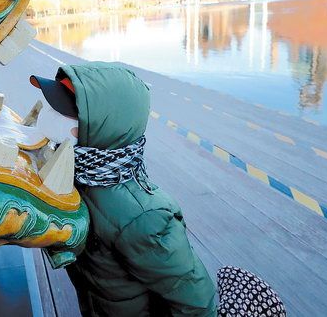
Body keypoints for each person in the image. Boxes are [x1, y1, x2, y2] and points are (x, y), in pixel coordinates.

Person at [30, 61, 217, 317]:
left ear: (101, 129)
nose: (50, 114)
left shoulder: (142, 218)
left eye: (62, 111)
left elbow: (196, 302)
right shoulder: (73, 171)